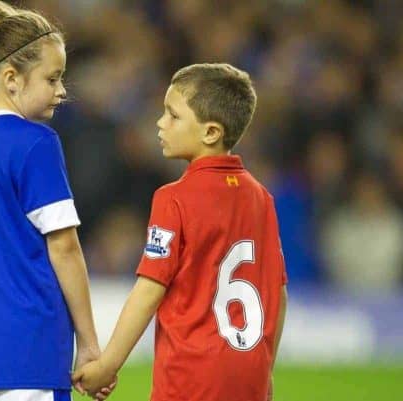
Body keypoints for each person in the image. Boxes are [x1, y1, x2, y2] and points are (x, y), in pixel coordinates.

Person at [73, 63, 288, 401]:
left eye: (173, 115)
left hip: (191, 377)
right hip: (249, 374)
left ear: (211, 132)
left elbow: (149, 291)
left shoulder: (173, 198)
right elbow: (277, 291)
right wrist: (265, 366)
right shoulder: (262, 198)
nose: (160, 123)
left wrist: (107, 365)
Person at [0, 2, 110, 400]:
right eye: (52, 78)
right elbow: (64, 248)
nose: (62, 90)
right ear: (12, 78)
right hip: (30, 351)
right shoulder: (36, 143)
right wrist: (90, 344)